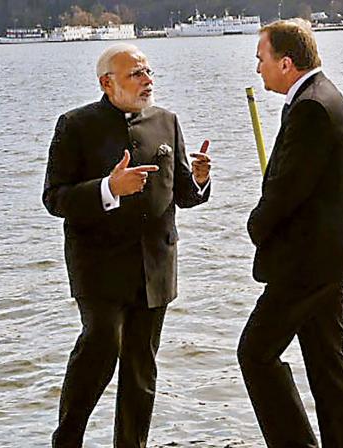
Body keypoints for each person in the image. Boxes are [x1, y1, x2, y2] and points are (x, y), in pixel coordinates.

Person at [42, 43, 212, 448]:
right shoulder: (75, 125)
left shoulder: (167, 121)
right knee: (100, 346)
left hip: (155, 264)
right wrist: (108, 188)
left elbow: (182, 193)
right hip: (98, 266)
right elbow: (55, 198)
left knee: (141, 369)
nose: (147, 80)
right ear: (107, 82)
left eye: (148, 72)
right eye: (136, 74)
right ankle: (67, 440)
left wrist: (200, 180)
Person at [237, 19, 343, 448]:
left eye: (261, 59)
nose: (258, 69)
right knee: (328, 367)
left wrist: (256, 225)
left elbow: (288, 189)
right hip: (327, 258)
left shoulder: (310, 106)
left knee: (255, 353)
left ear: (286, 62)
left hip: (307, 264)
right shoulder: (322, 96)